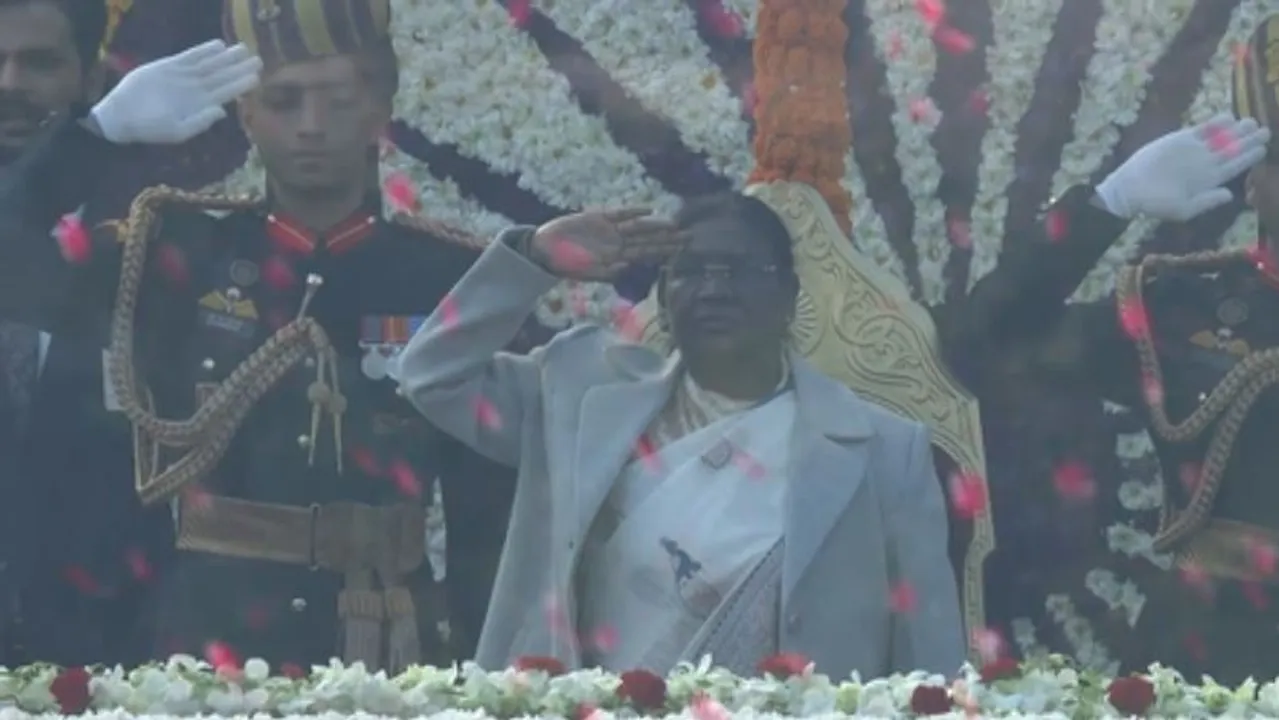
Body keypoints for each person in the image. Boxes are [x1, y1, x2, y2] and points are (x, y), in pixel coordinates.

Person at [0, 0, 501, 671]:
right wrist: (97, 137)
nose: (311, 127)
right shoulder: (174, 257)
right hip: (207, 647)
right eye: (284, 101)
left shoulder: (451, 277)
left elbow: (485, 513)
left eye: (337, 100)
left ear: (380, 112)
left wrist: (483, 667)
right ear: (246, 115)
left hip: (390, 641)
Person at [396, 192, 966, 678]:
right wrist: (534, 258)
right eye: (692, 270)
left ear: (790, 297)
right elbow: (432, 375)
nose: (715, 290)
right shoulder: (580, 394)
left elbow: (928, 652)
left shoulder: (882, 450)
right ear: (665, 298)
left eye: (740, 270)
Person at [947, 27, 1279, 679]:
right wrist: (1106, 205)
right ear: (1252, 182)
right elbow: (981, 341)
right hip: (1218, 653)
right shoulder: (1186, 306)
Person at [0, 0, 259, 668]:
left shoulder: (163, 244)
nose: (8, 83)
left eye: (38, 62)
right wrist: (94, 136)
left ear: (89, 76)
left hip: (108, 655)